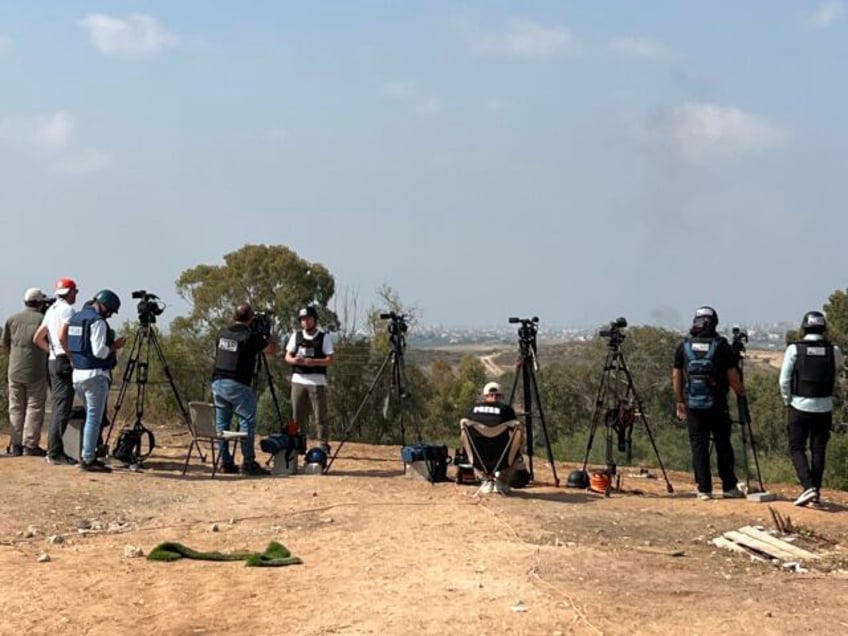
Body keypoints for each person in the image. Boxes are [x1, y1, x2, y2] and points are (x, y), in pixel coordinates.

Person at [672, 306, 748, 500]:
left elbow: (676, 374)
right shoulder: (721, 345)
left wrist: (680, 400)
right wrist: (740, 391)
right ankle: (729, 486)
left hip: (693, 404)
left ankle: (703, 488)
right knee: (723, 444)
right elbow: (732, 376)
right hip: (717, 404)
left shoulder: (685, 345)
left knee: (699, 446)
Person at [779, 311, 843, 507]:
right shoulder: (834, 350)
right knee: (819, 450)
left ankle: (808, 487)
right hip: (824, 407)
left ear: (804, 328)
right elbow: (837, 369)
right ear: (824, 328)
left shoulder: (794, 349)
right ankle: (815, 492)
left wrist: (787, 400)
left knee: (796, 447)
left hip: (799, 405)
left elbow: (784, 380)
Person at [211, 303, 278, 476]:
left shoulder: (222, 333)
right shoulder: (249, 337)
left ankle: (225, 462)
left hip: (217, 383)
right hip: (238, 384)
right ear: (250, 318)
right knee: (246, 421)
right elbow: (271, 350)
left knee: (222, 425)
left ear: (234, 316)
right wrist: (267, 334)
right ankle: (248, 462)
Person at [67, 290, 125, 472]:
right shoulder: (98, 322)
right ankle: (88, 458)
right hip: (95, 375)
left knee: (90, 417)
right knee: (94, 419)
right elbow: (99, 351)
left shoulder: (76, 318)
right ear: (105, 306)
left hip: (77, 374)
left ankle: (86, 454)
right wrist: (115, 346)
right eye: (111, 311)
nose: (109, 315)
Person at [32, 277, 80, 465]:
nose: (76, 295)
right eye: (75, 291)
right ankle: (55, 452)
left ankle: (54, 450)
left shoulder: (51, 310)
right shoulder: (67, 310)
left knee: (58, 406)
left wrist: (52, 351)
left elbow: (38, 337)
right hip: (62, 361)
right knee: (62, 408)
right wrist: (70, 356)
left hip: (53, 360)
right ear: (69, 292)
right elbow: (62, 336)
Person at [1, 288, 50, 456]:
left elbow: (4, 346)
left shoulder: (12, 319)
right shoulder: (44, 320)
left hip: (14, 370)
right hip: (36, 371)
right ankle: (30, 445)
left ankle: (15, 445)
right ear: (40, 303)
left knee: (15, 408)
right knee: (34, 408)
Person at [284, 306, 334, 452]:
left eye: (308, 319)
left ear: (315, 320)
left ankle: (323, 444)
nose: (306, 322)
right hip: (298, 380)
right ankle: (297, 443)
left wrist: (314, 362)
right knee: (296, 416)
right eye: (303, 319)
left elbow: (330, 359)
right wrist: (295, 361)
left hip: (317, 381)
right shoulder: (296, 336)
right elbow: (287, 356)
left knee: (320, 416)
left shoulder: (324, 337)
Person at [461, 382, 527, 490]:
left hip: (478, 458)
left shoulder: (473, 410)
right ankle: (501, 481)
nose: (494, 398)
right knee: (518, 448)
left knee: (466, 447)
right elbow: (516, 433)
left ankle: (486, 478)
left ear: (484, 396)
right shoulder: (506, 410)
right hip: (503, 459)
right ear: (501, 396)